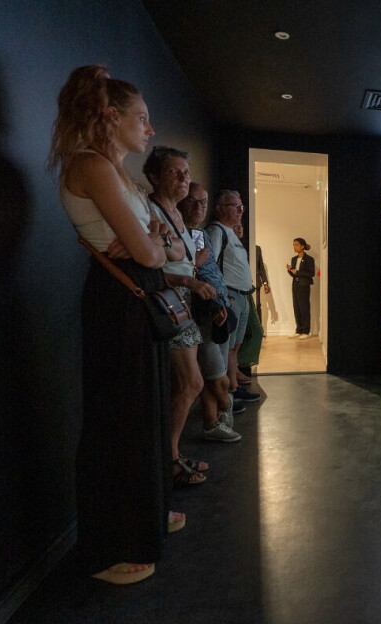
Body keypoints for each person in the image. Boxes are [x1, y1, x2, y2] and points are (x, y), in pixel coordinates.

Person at [49, 65, 181, 585]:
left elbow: (167, 246)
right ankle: (110, 549)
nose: (150, 128)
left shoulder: (117, 173)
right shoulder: (91, 166)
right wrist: (152, 245)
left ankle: (147, 518)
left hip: (135, 294)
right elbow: (151, 251)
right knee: (119, 420)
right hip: (119, 300)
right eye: (142, 118)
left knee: (144, 413)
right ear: (110, 116)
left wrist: (153, 244)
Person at [143, 147, 218, 483]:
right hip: (167, 302)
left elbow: (175, 256)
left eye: (186, 172)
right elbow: (148, 265)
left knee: (185, 384)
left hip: (180, 301)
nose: (184, 178)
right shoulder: (151, 211)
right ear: (155, 177)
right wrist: (187, 279)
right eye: (174, 172)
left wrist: (191, 270)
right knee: (192, 382)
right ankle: (169, 460)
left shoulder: (174, 215)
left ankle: (171, 454)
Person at [177, 182, 241, 441]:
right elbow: (185, 271)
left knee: (213, 374)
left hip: (217, 309)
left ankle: (211, 423)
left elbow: (211, 272)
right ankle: (226, 406)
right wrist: (215, 303)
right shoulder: (178, 232)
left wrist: (223, 299)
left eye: (203, 202)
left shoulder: (200, 234)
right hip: (198, 313)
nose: (198, 207)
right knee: (217, 378)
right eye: (193, 201)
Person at [206, 191, 261, 403]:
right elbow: (209, 266)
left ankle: (233, 387)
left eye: (241, 206)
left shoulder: (231, 233)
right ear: (219, 208)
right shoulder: (216, 231)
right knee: (226, 347)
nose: (240, 210)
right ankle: (225, 395)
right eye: (234, 206)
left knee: (234, 347)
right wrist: (221, 296)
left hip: (242, 296)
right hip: (230, 296)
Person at [287, 237, 315, 339]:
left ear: (302, 246)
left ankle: (306, 331)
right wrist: (290, 270)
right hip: (295, 285)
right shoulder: (294, 259)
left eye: (296, 245)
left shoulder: (309, 259)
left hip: (304, 286)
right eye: (293, 245)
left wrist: (297, 272)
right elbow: (294, 275)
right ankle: (299, 330)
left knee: (304, 307)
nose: (294, 247)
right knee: (296, 307)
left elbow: (311, 273)